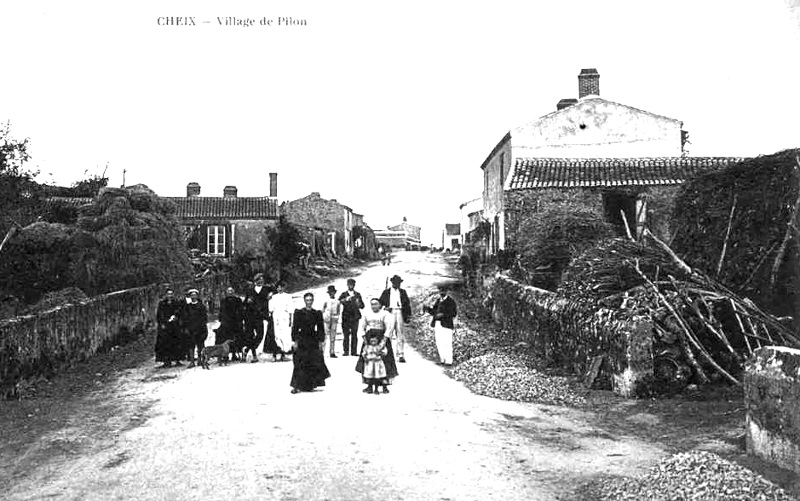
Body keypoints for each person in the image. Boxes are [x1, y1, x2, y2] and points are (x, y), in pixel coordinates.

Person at [290, 293, 330, 394]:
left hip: (313, 339)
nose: (309, 302)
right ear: (304, 301)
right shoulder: (299, 312)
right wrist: (294, 341)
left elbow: (320, 328)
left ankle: (309, 384)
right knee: (299, 362)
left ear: (313, 301)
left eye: (310, 300)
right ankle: (296, 385)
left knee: (312, 362)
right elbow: (295, 327)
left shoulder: (317, 313)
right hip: (302, 338)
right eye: (307, 300)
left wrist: (321, 341)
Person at [355, 298, 398, 391]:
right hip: (370, 337)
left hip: (381, 337)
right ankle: (369, 384)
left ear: (380, 305)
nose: (374, 306)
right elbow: (362, 326)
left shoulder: (385, 314)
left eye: (376, 304)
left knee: (383, 360)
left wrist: (384, 340)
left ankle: (384, 384)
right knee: (368, 360)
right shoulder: (367, 314)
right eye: (372, 304)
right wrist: (364, 339)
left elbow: (389, 328)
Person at [379, 275, 412, 363]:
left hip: (400, 312)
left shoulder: (403, 292)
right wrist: (385, 308)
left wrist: (408, 316)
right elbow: (380, 304)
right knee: (387, 333)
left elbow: (407, 304)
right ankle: (385, 352)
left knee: (400, 333)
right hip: (390, 312)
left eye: (399, 283)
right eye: (395, 282)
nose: (397, 284)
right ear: (392, 283)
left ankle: (400, 354)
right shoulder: (386, 292)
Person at [424, 285, 458, 366]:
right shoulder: (438, 301)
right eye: (440, 291)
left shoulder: (451, 301)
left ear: (447, 291)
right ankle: (442, 359)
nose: (442, 292)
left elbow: (453, 313)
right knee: (439, 342)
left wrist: (443, 315)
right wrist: (427, 309)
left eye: (444, 291)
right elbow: (434, 312)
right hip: (438, 324)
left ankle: (449, 361)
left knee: (447, 342)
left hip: (446, 324)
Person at [243, 273, 272, 363]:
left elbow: (276, 290)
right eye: (259, 279)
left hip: (260, 316)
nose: (261, 281)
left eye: (262, 279)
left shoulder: (267, 289)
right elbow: (244, 303)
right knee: (250, 335)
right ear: (256, 281)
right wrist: (247, 301)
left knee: (260, 335)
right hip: (250, 316)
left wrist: (271, 294)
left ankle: (247, 348)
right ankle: (254, 356)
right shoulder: (250, 290)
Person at [155, 287, 184, 368]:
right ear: (165, 295)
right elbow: (159, 315)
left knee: (176, 342)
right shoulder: (162, 304)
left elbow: (180, 312)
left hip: (175, 326)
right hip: (165, 326)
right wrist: (163, 323)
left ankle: (177, 360)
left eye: (171, 294)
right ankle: (166, 361)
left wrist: (176, 318)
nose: (170, 296)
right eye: (168, 294)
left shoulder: (176, 303)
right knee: (165, 344)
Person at [216, 287, 244, 360]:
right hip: (226, 323)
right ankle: (226, 355)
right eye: (228, 291)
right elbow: (221, 311)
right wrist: (221, 319)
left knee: (235, 339)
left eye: (231, 291)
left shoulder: (238, 300)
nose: (230, 292)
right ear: (226, 292)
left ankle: (235, 354)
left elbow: (241, 311)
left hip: (235, 323)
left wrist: (240, 320)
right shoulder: (223, 301)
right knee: (224, 339)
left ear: (234, 292)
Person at [182, 289, 208, 368]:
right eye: (192, 295)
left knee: (200, 345)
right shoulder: (187, 306)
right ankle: (192, 361)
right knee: (191, 345)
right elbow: (185, 317)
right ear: (190, 296)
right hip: (191, 329)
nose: (193, 296)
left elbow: (204, 317)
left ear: (197, 296)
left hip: (200, 328)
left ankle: (200, 360)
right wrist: (186, 327)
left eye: (195, 295)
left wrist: (202, 326)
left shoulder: (201, 306)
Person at [338, 278, 364, 356]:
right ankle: (346, 351)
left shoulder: (357, 294)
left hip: (355, 317)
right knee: (346, 334)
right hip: (346, 317)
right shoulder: (344, 294)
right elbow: (338, 302)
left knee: (354, 334)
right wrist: (345, 299)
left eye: (352, 284)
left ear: (354, 285)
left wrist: (358, 303)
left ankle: (354, 351)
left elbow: (362, 306)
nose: (351, 286)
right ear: (347, 285)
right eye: (349, 284)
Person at [269, 281, 294, 361]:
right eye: (278, 287)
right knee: (276, 336)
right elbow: (271, 309)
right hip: (276, 318)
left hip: (284, 318)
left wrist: (290, 319)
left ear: (284, 287)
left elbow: (290, 309)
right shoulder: (274, 297)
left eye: (281, 287)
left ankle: (283, 354)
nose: (280, 289)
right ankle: (274, 354)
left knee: (284, 336)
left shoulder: (288, 296)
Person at [321, 285, 342, 357]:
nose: (331, 294)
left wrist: (337, 317)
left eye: (333, 292)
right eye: (330, 292)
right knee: (324, 335)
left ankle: (332, 352)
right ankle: (322, 351)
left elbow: (339, 310)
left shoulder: (337, 301)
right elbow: (322, 309)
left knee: (333, 336)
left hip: (334, 318)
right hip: (326, 318)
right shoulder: (326, 301)